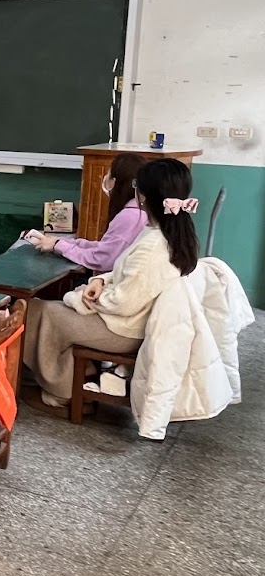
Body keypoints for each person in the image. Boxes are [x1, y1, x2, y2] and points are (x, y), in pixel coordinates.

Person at [23, 158, 199, 410]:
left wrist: (81, 297)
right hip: (132, 320)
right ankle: (76, 374)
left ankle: (60, 392)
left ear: (143, 196)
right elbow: (125, 270)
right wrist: (100, 279)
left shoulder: (152, 245)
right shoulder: (168, 232)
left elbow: (123, 302)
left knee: (36, 311)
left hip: (124, 329)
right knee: (47, 311)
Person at [29, 153, 149, 272]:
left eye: (109, 174)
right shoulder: (141, 211)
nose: (105, 178)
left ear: (115, 182)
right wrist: (62, 242)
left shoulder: (130, 217)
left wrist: (58, 245)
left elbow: (102, 259)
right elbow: (106, 248)